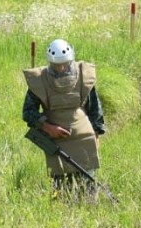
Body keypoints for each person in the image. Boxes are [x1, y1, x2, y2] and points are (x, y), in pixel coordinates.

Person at [22, 39, 105, 196]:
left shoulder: (84, 76)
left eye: (65, 64)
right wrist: (48, 127)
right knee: (60, 189)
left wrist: (96, 134)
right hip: (55, 142)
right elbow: (28, 113)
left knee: (87, 187)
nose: (61, 69)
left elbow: (95, 109)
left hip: (84, 140)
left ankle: (88, 210)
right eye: (56, 66)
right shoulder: (39, 81)